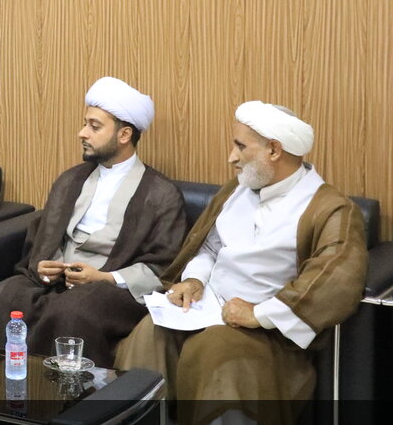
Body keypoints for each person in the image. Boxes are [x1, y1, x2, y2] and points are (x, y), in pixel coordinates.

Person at [115, 102, 367, 425]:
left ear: (273, 150)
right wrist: (194, 280)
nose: (231, 157)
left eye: (240, 146)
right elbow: (209, 247)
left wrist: (258, 314)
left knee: (216, 349)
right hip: (205, 309)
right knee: (151, 331)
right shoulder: (237, 190)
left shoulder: (329, 208)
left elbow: (336, 279)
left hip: (267, 336)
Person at [0, 77, 186, 367]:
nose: (82, 133)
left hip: (112, 286)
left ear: (124, 134)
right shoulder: (72, 179)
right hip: (59, 280)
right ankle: (5, 384)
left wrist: (103, 278)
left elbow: (162, 267)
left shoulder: (161, 194)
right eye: (85, 124)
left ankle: (67, 393)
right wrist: (46, 265)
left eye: (94, 126)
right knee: (1, 295)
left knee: (74, 311)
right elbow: (45, 238)